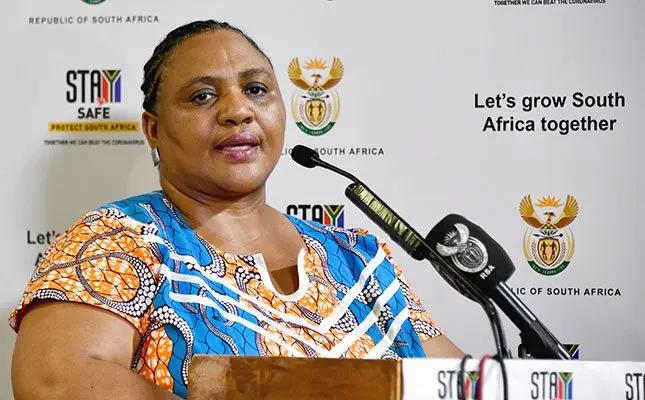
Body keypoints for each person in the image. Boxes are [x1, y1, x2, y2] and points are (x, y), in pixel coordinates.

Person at [9, 20, 464, 400]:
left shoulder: (358, 259)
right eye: (203, 96)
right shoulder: (118, 239)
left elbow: (461, 386)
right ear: (154, 130)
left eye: (256, 89)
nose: (238, 110)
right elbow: (56, 380)